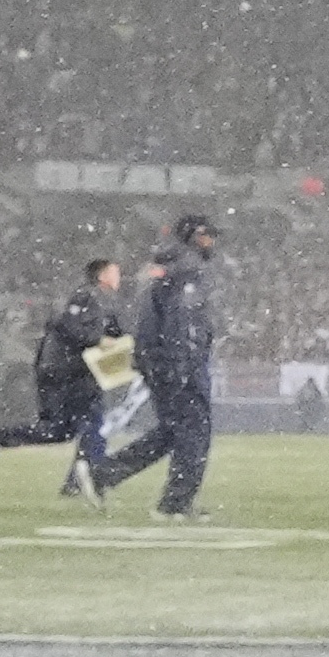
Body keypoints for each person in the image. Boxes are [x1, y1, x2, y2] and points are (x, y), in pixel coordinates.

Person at [96, 212, 222, 520]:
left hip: (161, 359)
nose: (212, 242)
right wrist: (183, 362)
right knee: (193, 432)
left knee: (172, 432)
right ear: (194, 236)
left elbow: (156, 317)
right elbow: (183, 319)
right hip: (178, 363)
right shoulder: (188, 269)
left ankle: (101, 474)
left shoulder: (165, 266)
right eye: (207, 236)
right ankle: (175, 504)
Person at [0, 258, 128, 497]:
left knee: (59, 430)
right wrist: (99, 340)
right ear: (102, 276)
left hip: (66, 372)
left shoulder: (100, 301)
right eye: (115, 272)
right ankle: (83, 479)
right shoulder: (87, 297)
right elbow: (69, 327)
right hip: (69, 373)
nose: (119, 277)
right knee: (93, 426)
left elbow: (113, 332)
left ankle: (1, 437)